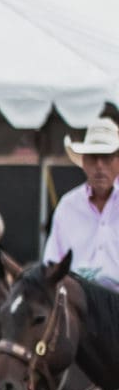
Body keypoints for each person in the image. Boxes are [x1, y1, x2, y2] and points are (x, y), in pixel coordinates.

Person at [44, 117, 119, 285]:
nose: (99, 165)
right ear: (84, 162)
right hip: (77, 303)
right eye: (93, 157)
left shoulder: (67, 205)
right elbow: (51, 264)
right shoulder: (68, 206)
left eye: (106, 156)